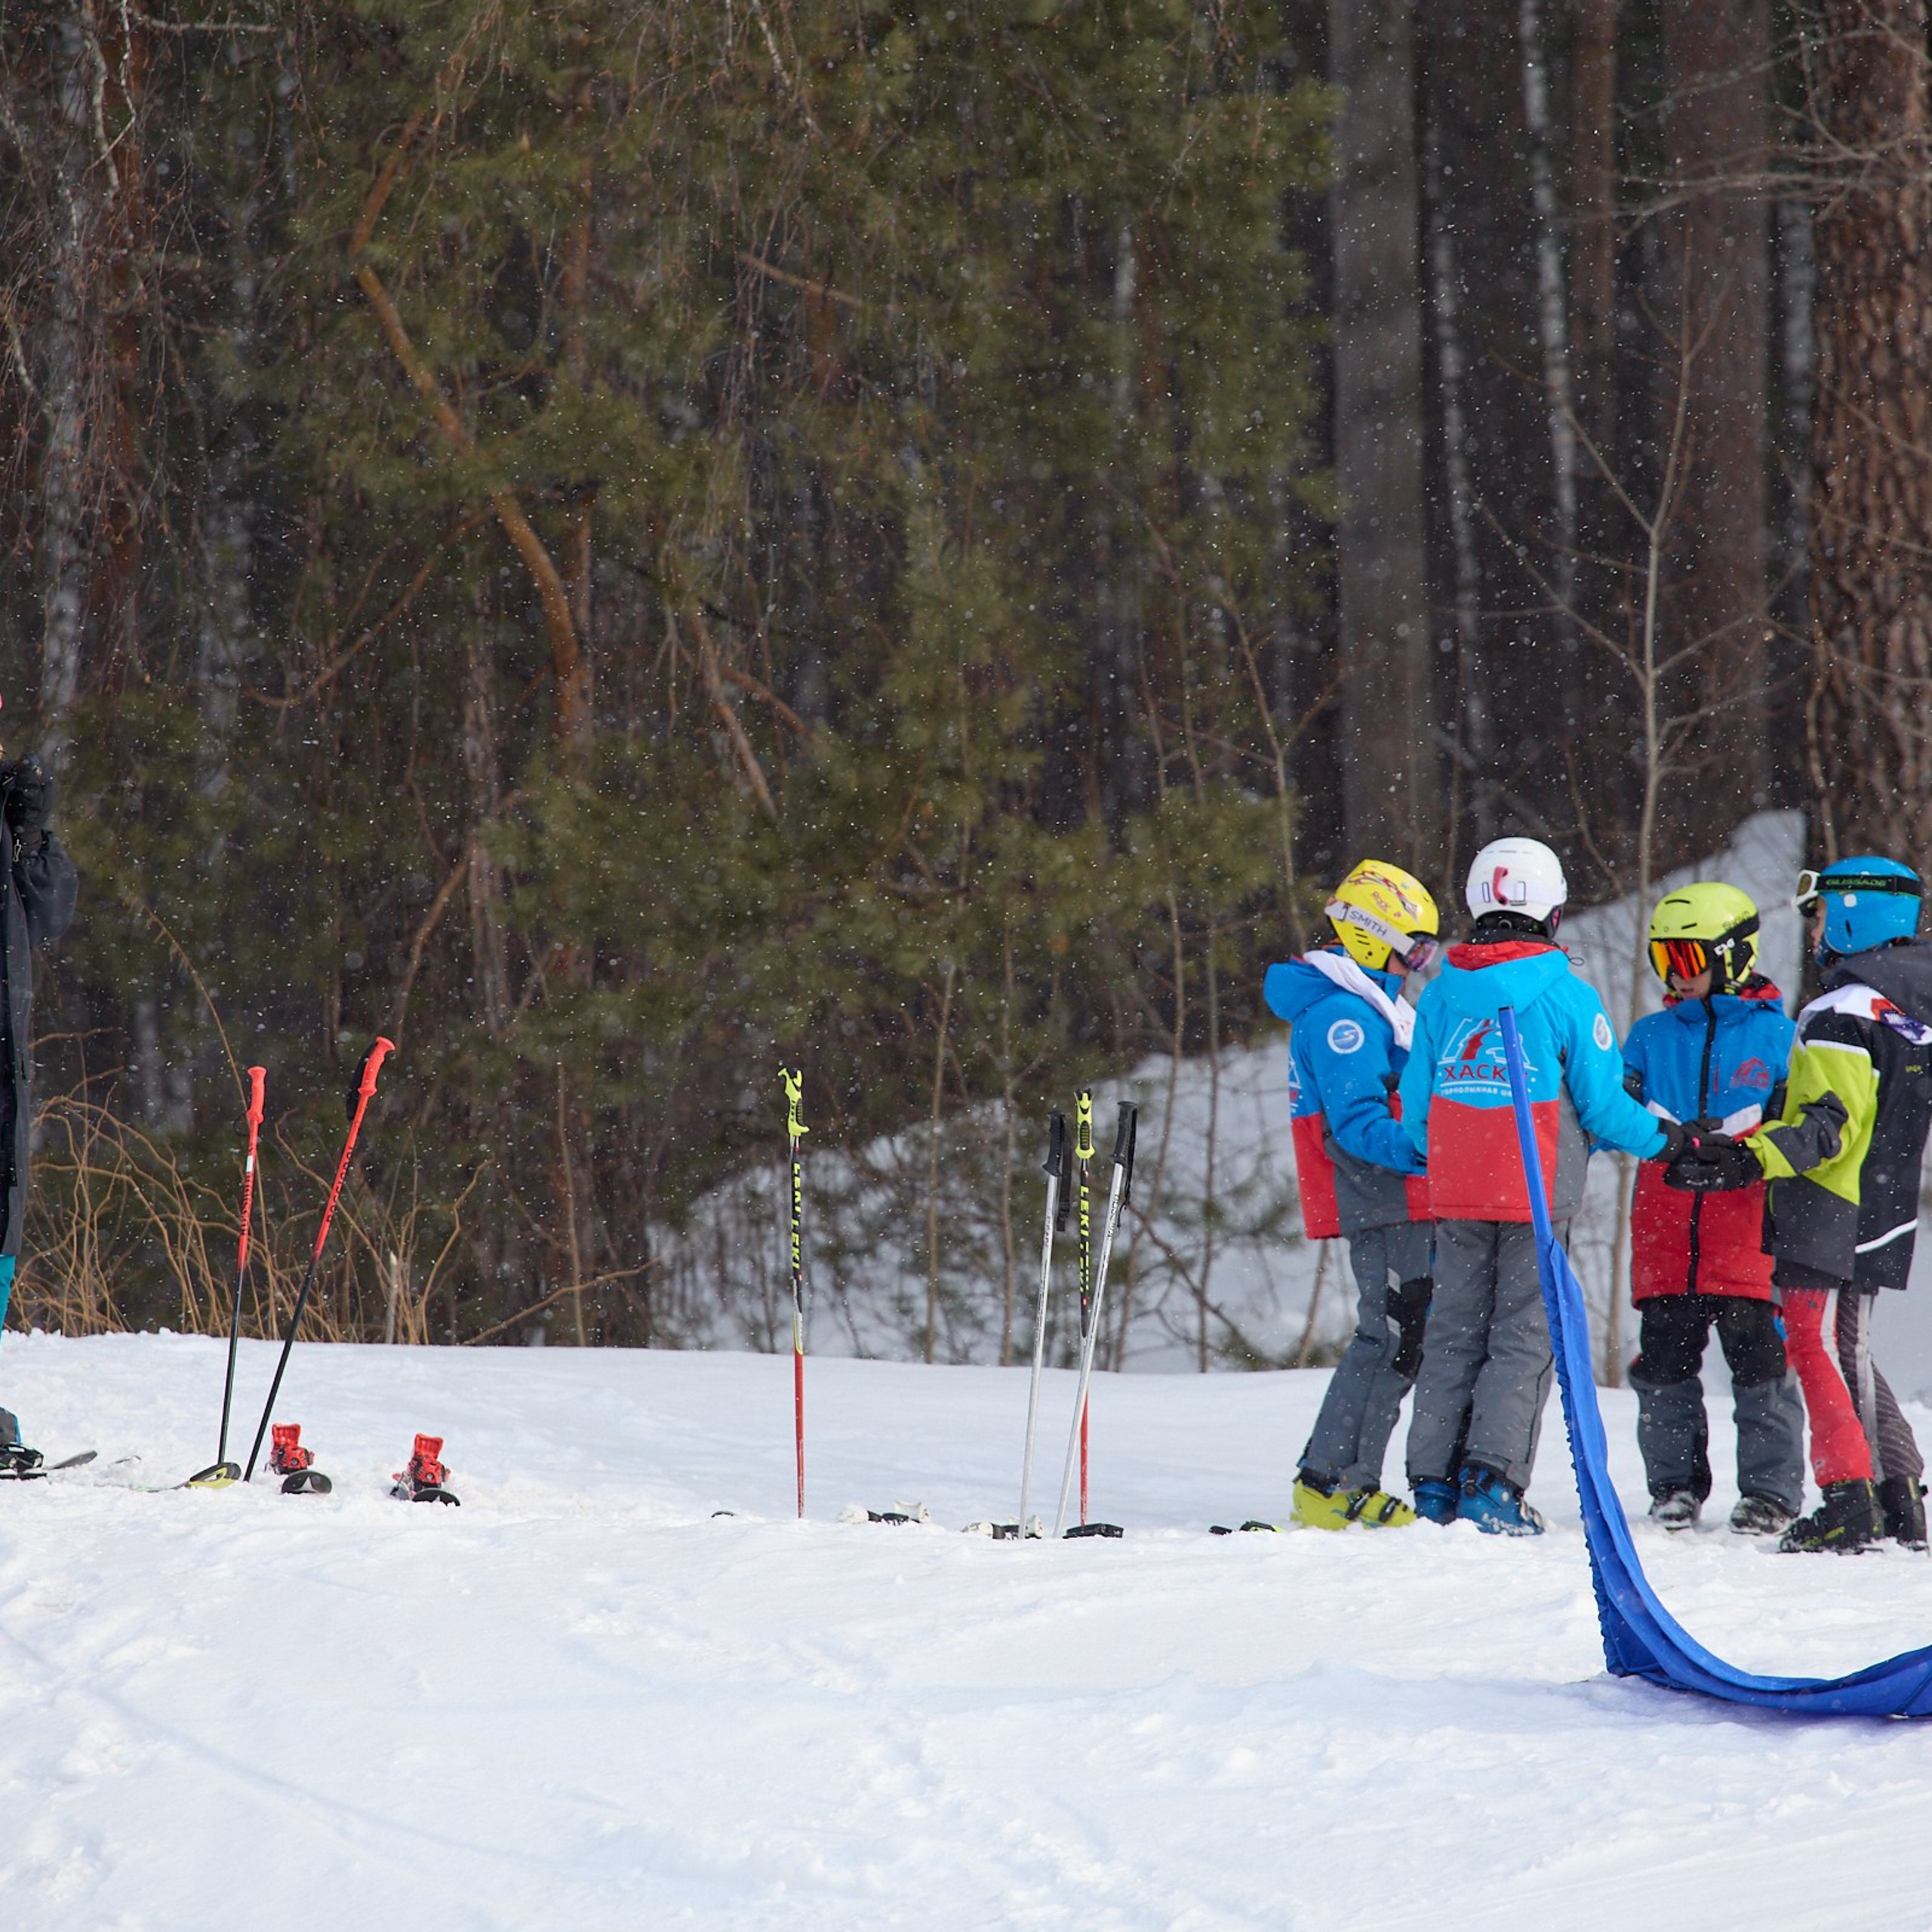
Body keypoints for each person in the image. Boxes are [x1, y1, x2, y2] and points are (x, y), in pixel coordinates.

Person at [1398, 836, 1686, 1534]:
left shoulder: (1439, 997)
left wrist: (1443, 1151)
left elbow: (1413, 1111)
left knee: (1456, 1330)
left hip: (1457, 1194)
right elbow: (1604, 1106)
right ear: (1552, 915)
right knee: (1526, 1336)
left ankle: (1433, 1484)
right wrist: (1668, 1141)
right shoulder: (1566, 995)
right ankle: (1492, 1483)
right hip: (1534, 1192)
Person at [1671, 857, 1932, 1553]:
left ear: (1851, 913)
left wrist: (1748, 1156)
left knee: (1813, 1346)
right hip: (1882, 1206)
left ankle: (1849, 1498)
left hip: (1829, 1207)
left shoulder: (1838, 1010)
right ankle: (1897, 1497)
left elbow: (1829, 1124)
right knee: (1850, 1349)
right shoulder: (1902, 1009)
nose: (1815, 932)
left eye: (1820, 916)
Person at [1621, 883, 1805, 1537]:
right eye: (1664, 958)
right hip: (1666, 1232)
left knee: (1759, 1363)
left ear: (1731, 955)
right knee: (1664, 1365)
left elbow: (1796, 1124)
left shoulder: (1781, 1036)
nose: (1675, 973)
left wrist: (1742, 1150)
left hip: (1748, 1236)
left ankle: (1770, 1490)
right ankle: (1673, 1486)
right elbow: (1618, 1107)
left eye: (1688, 956)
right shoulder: (1648, 1037)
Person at [1266, 860, 1439, 1529]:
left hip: (1399, 1195)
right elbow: (1360, 1123)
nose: (1419, 965)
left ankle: (1352, 1478)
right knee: (1388, 1336)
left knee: (1406, 1337)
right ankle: (1327, 1480)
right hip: (1382, 1194)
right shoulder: (1345, 1016)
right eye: (1414, 950)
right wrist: (1430, 1149)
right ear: (1371, 938)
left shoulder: (1368, 1006)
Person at [0, 754, 78, 1475]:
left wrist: (33, 836)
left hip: (5, 1061)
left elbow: (51, 917)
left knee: (2, 1222)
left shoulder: (11, 807)